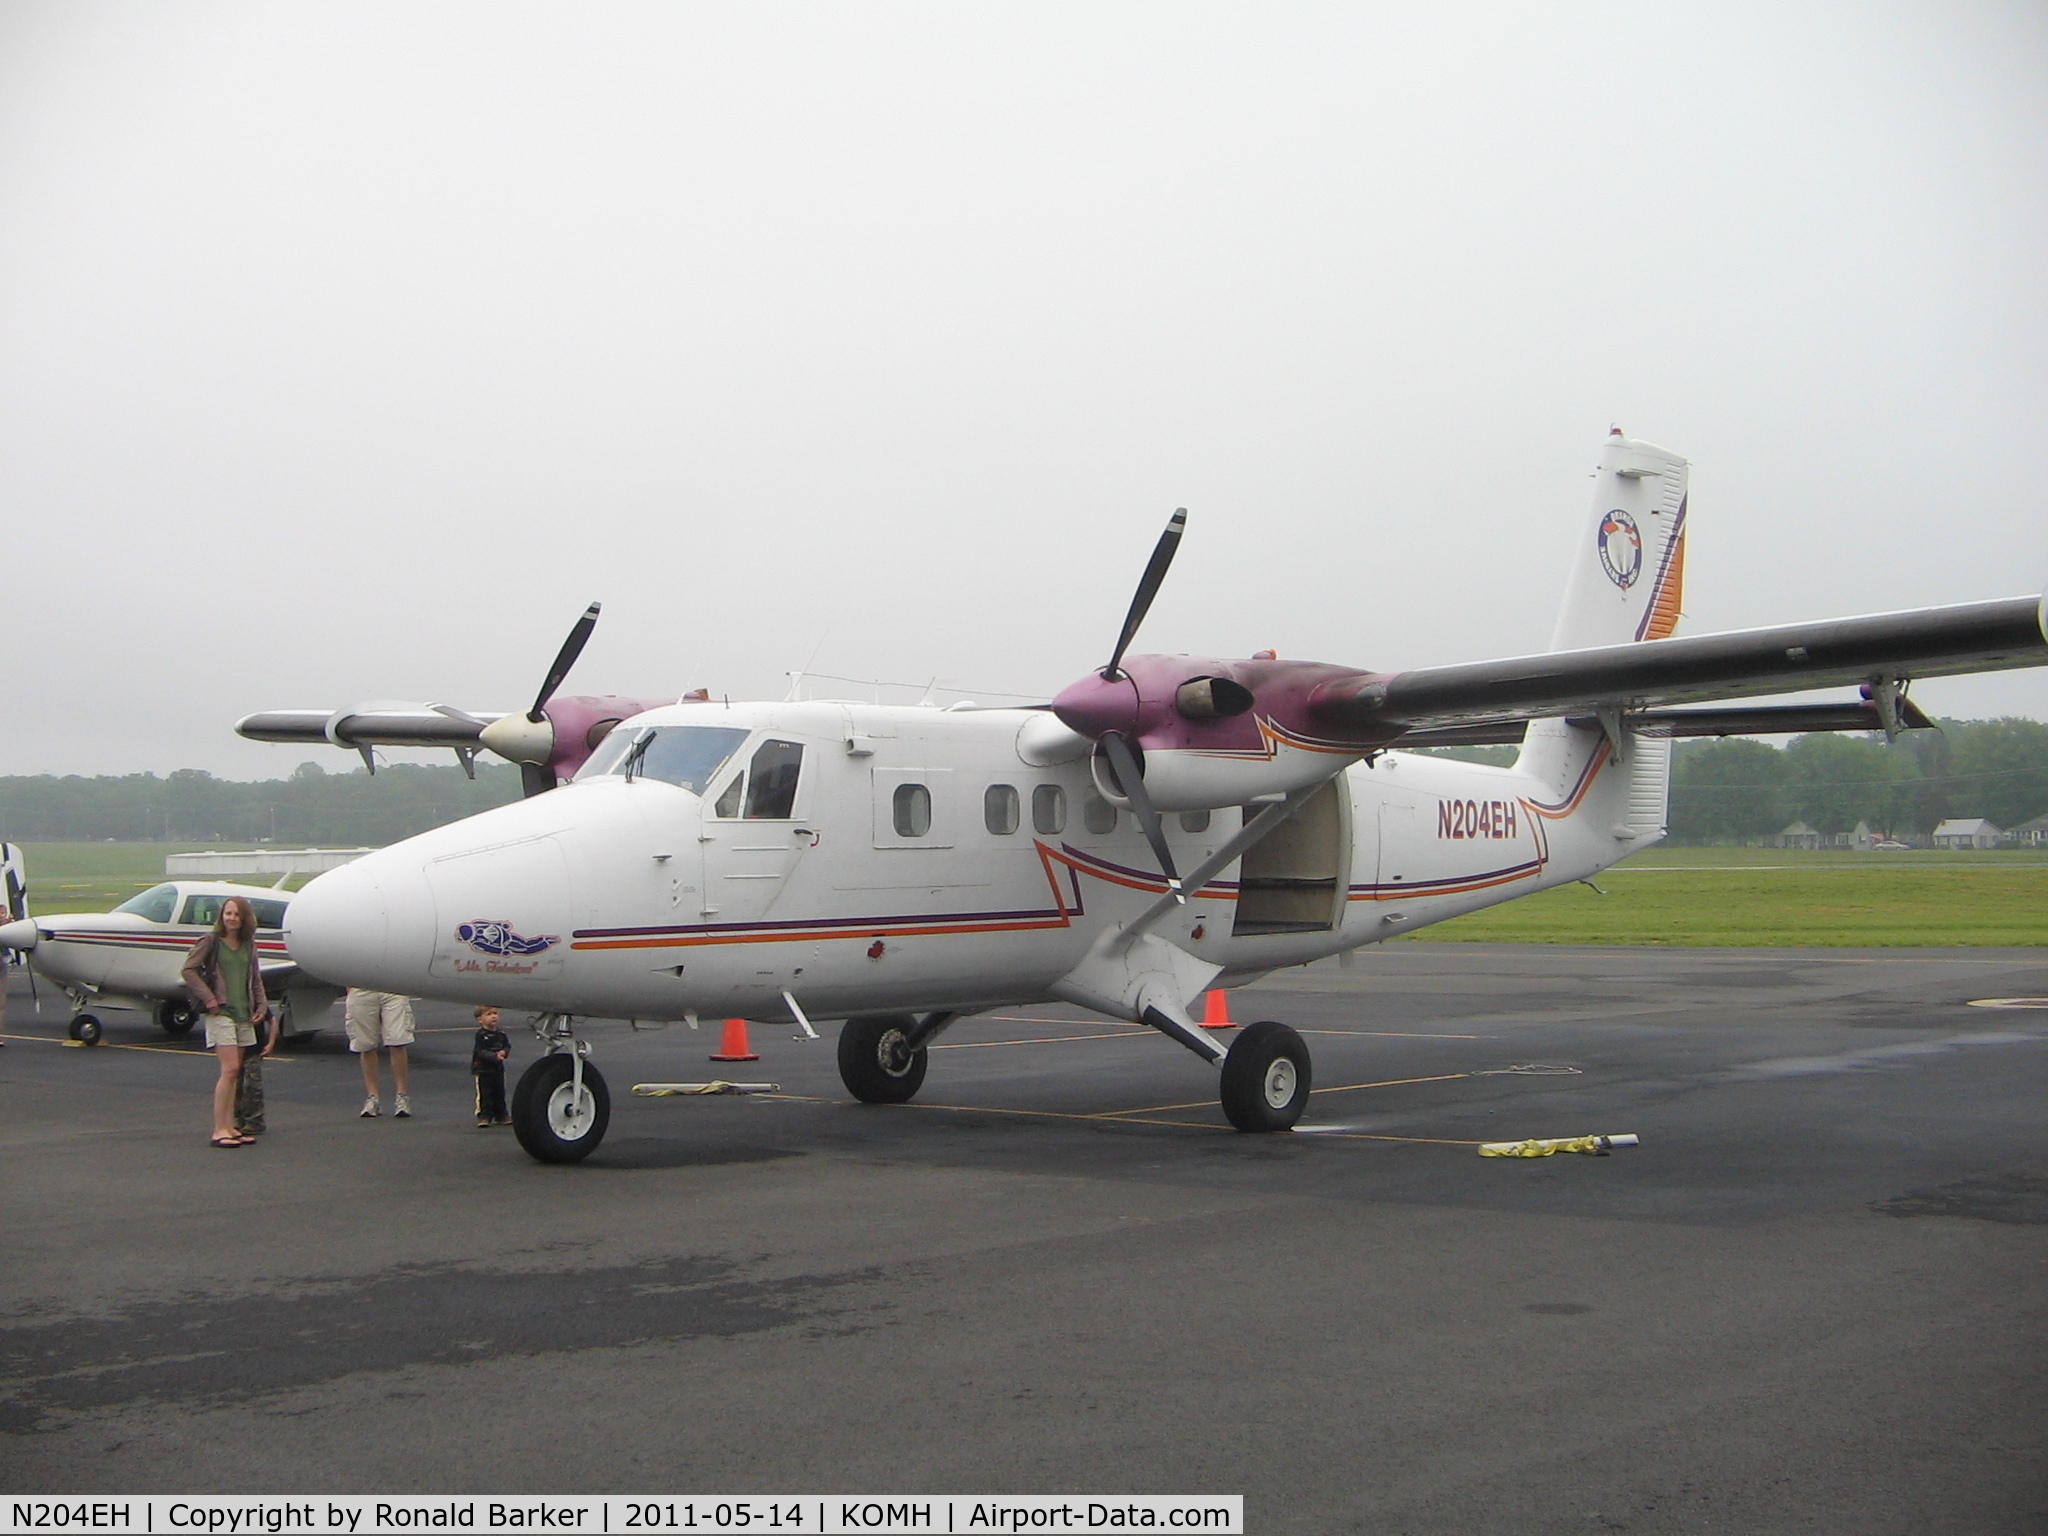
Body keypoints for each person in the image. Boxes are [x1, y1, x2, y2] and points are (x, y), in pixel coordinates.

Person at [182, 895, 273, 1148]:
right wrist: (209, 998)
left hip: (244, 1013)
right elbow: (188, 969)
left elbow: (255, 977)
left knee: (237, 1071)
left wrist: (262, 1006)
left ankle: (231, 1125)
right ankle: (218, 1128)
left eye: (236, 914)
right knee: (230, 1068)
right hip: (222, 1012)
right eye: (228, 913)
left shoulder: (248, 944)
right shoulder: (211, 942)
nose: (231, 918)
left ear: (244, 919)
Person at [345, 988, 415, 1117]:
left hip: (391, 987)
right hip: (360, 988)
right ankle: (372, 1098)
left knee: (397, 1040)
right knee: (365, 1045)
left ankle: (402, 1096)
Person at [471, 1005, 512, 1126]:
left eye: (495, 1013)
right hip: (483, 1069)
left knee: (499, 1092)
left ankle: (501, 1115)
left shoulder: (501, 1034)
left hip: (498, 1069)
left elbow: (507, 1045)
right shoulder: (481, 1035)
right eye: (488, 1014)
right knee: (485, 1093)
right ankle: (484, 1115)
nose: (493, 1016)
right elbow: (480, 1051)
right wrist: (494, 1056)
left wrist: (504, 1052)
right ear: (480, 1020)